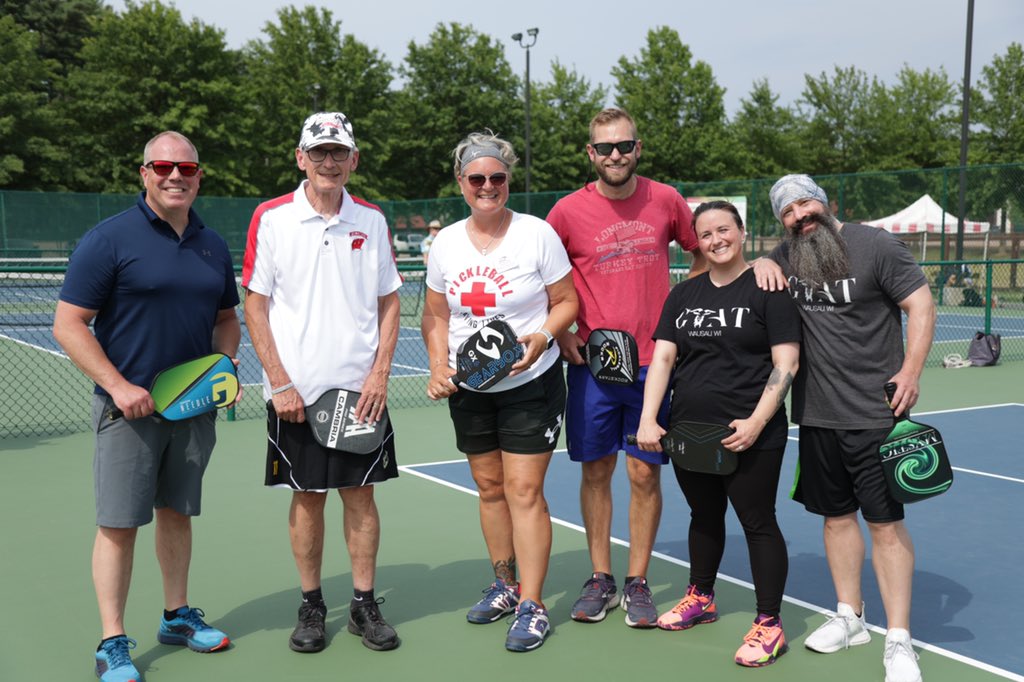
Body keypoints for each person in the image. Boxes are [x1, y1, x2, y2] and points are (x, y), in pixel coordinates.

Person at [53, 131, 241, 682]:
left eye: (185, 168)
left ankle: (176, 616)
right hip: (126, 413)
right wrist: (118, 386)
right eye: (162, 166)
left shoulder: (212, 243)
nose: (174, 176)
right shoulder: (109, 239)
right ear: (144, 173)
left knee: (177, 513)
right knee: (118, 523)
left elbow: (227, 318)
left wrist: (220, 370)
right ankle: (111, 642)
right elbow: (68, 323)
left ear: (199, 175)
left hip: (192, 410)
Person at [754, 174, 937, 682]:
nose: (799, 215)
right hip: (815, 415)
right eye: (788, 211)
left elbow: (920, 304)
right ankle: (850, 617)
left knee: (885, 524)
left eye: (805, 202)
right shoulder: (786, 255)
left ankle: (899, 639)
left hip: (877, 414)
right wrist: (762, 260)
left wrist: (912, 370)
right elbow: (744, 269)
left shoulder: (875, 245)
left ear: (826, 202)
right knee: (835, 519)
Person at [242, 112, 402, 654]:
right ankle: (312, 604)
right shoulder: (271, 217)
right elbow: (256, 305)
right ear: (300, 158)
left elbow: (388, 301)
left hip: (362, 394)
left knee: (361, 498)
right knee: (307, 498)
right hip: (297, 396)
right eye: (319, 152)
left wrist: (379, 372)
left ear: (353, 159)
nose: (329, 161)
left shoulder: (372, 220)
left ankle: (363, 605)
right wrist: (279, 380)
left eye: (339, 152)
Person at [545, 107, 705, 627]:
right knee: (596, 471)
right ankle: (601, 578)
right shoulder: (566, 212)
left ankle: (637, 581)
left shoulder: (665, 199)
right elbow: (540, 276)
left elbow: (704, 251)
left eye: (624, 146)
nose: (615, 155)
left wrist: (683, 304)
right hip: (594, 366)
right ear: (590, 154)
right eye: (605, 148)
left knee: (643, 473)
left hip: (653, 366)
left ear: (637, 149)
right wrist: (564, 330)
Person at [421, 131, 578, 652]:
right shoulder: (444, 243)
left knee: (524, 492)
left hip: (531, 383)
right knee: (489, 488)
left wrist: (541, 337)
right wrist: (438, 367)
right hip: (471, 385)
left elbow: (566, 302)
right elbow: (437, 314)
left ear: (508, 180)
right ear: (461, 183)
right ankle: (505, 585)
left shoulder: (536, 234)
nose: (488, 187)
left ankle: (532, 604)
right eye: (477, 179)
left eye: (497, 178)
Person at [636, 201, 801, 667]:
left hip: (750, 433)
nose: (715, 240)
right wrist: (649, 418)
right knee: (703, 516)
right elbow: (664, 359)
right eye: (705, 234)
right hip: (691, 430)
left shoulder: (770, 288)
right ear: (697, 242)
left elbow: (786, 363)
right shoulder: (683, 296)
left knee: (757, 522)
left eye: (723, 230)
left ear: (742, 232)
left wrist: (756, 421)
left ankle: (769, 624)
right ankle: (701, 597)